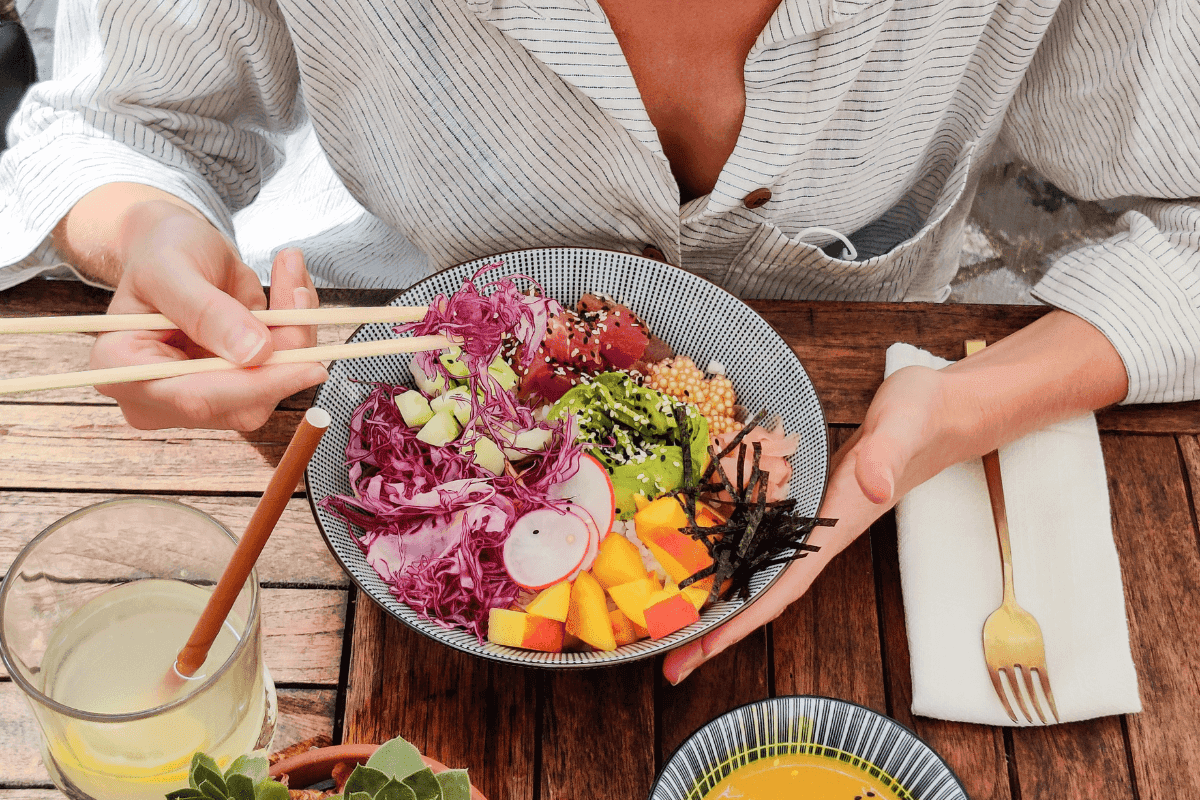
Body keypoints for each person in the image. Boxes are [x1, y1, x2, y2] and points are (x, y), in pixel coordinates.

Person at [0, 0, 1196, 682]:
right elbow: (116, 116)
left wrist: (960, 409)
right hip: (350, 392)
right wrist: (147, 230)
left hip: (862, 523)